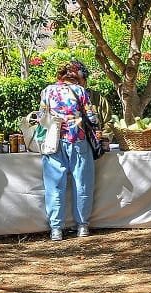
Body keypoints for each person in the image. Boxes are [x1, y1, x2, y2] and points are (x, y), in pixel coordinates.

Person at [39, 61, 98, 241]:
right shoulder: (80, 92)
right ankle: (82, 226)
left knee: (54, 186)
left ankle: (56, 229)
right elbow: (93, 118)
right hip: (77, 139)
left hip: (53, 141)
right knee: (82, 183)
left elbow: (42, 118)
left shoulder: (46, 91)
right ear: (76, 77)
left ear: (60, 76)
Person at [71, 60, 112, 135]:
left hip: (94, 144)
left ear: (85, 81)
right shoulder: (60, 101)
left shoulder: (98, 99)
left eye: (78, 81)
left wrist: (104, 136)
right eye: (71, 81)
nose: (75, 84)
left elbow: (108, 122)